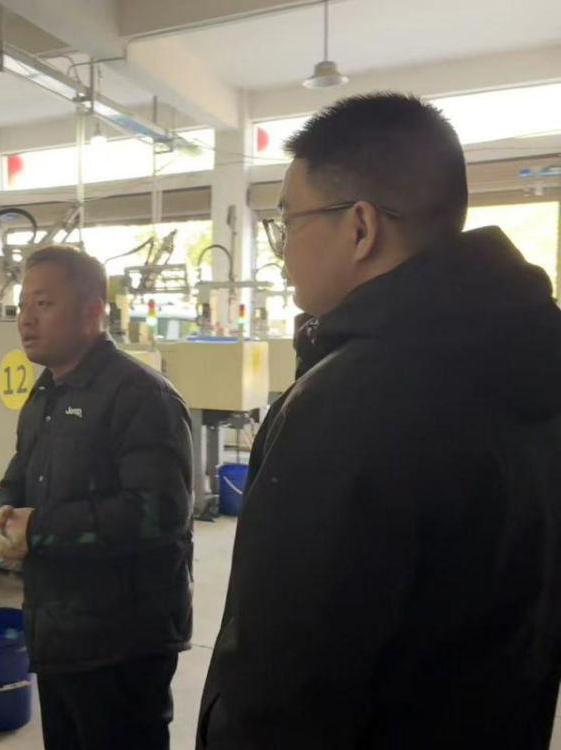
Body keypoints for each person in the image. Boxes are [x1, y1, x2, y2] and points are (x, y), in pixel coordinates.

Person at [198, 93, 561, 749]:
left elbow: (283, 686)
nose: (283, 252)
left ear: (361, 227)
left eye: (289, 222)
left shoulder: (350, 402)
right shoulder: (531, 359)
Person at [0, 246, 193, 750]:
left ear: (93, 311)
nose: (25, 320)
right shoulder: (45, 394)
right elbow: (20, 475)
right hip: (59, 628)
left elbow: (159, 511)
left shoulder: (139, 395)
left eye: (43, 304)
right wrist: (0, 515)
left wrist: (39, 530)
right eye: (22, 306)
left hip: (122, 640)